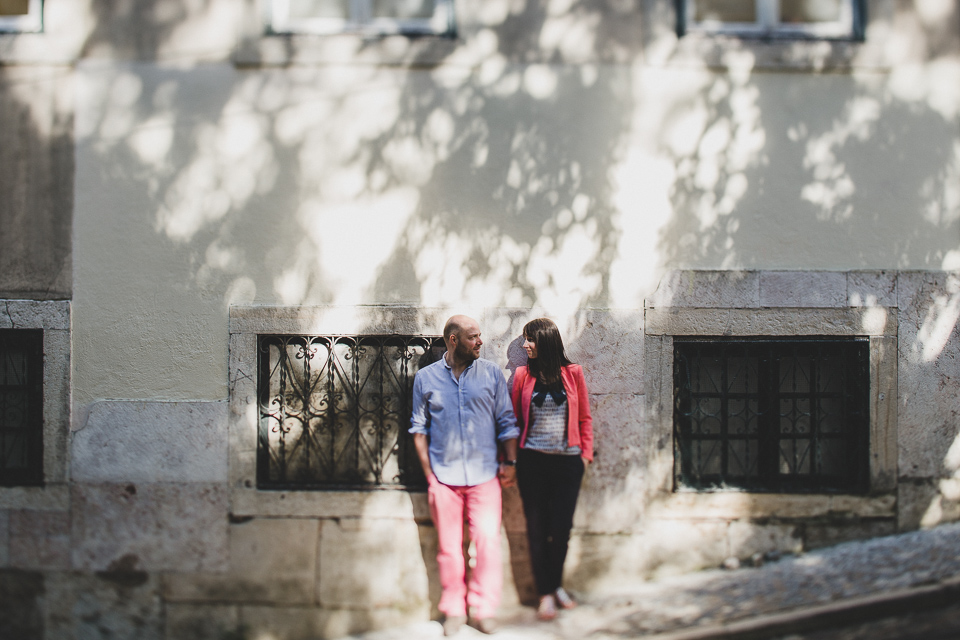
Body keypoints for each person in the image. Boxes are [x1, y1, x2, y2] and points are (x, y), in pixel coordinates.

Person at [410, 315, 520, 636]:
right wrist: (430, 475)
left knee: (486, 544)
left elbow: (507, 421)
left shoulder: (491, 375)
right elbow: (418, 430)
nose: (480, 341)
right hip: (443, 478)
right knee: (448, 547)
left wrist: (510, 463)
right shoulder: (425, 379)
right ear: (454, 340)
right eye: (473, 336)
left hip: (485, 477)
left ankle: (483, 609)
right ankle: (454, 610)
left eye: (480, 335)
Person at [511, 317, 593, 621]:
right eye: (523, 339)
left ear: (544, 340)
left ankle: (557, 585)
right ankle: (545, 593)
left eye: (529, 339)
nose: (524, 345)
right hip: (531, 461)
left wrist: (583, 455)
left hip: (567, 462)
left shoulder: (573, 374)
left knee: (561, 531)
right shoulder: (521, 375)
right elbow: (514, 420)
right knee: (536, 529)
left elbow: (585, 417)